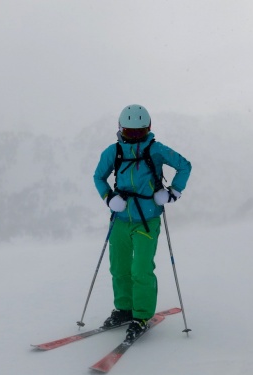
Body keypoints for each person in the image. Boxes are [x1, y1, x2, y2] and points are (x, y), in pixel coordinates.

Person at [93, 104, 191, 341]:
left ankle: (141, 316)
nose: (134, 136)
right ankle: (124, 309)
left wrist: (172, 192)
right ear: (120, 129)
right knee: (119, 267)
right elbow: (98, 176)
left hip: (147, 220)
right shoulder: (113, 152)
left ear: (148, 129)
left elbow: (184, 166)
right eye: (129, 132)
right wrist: (108, 197)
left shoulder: (156, 150)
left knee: (141, 269)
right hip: (120, 219)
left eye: (139, 132)